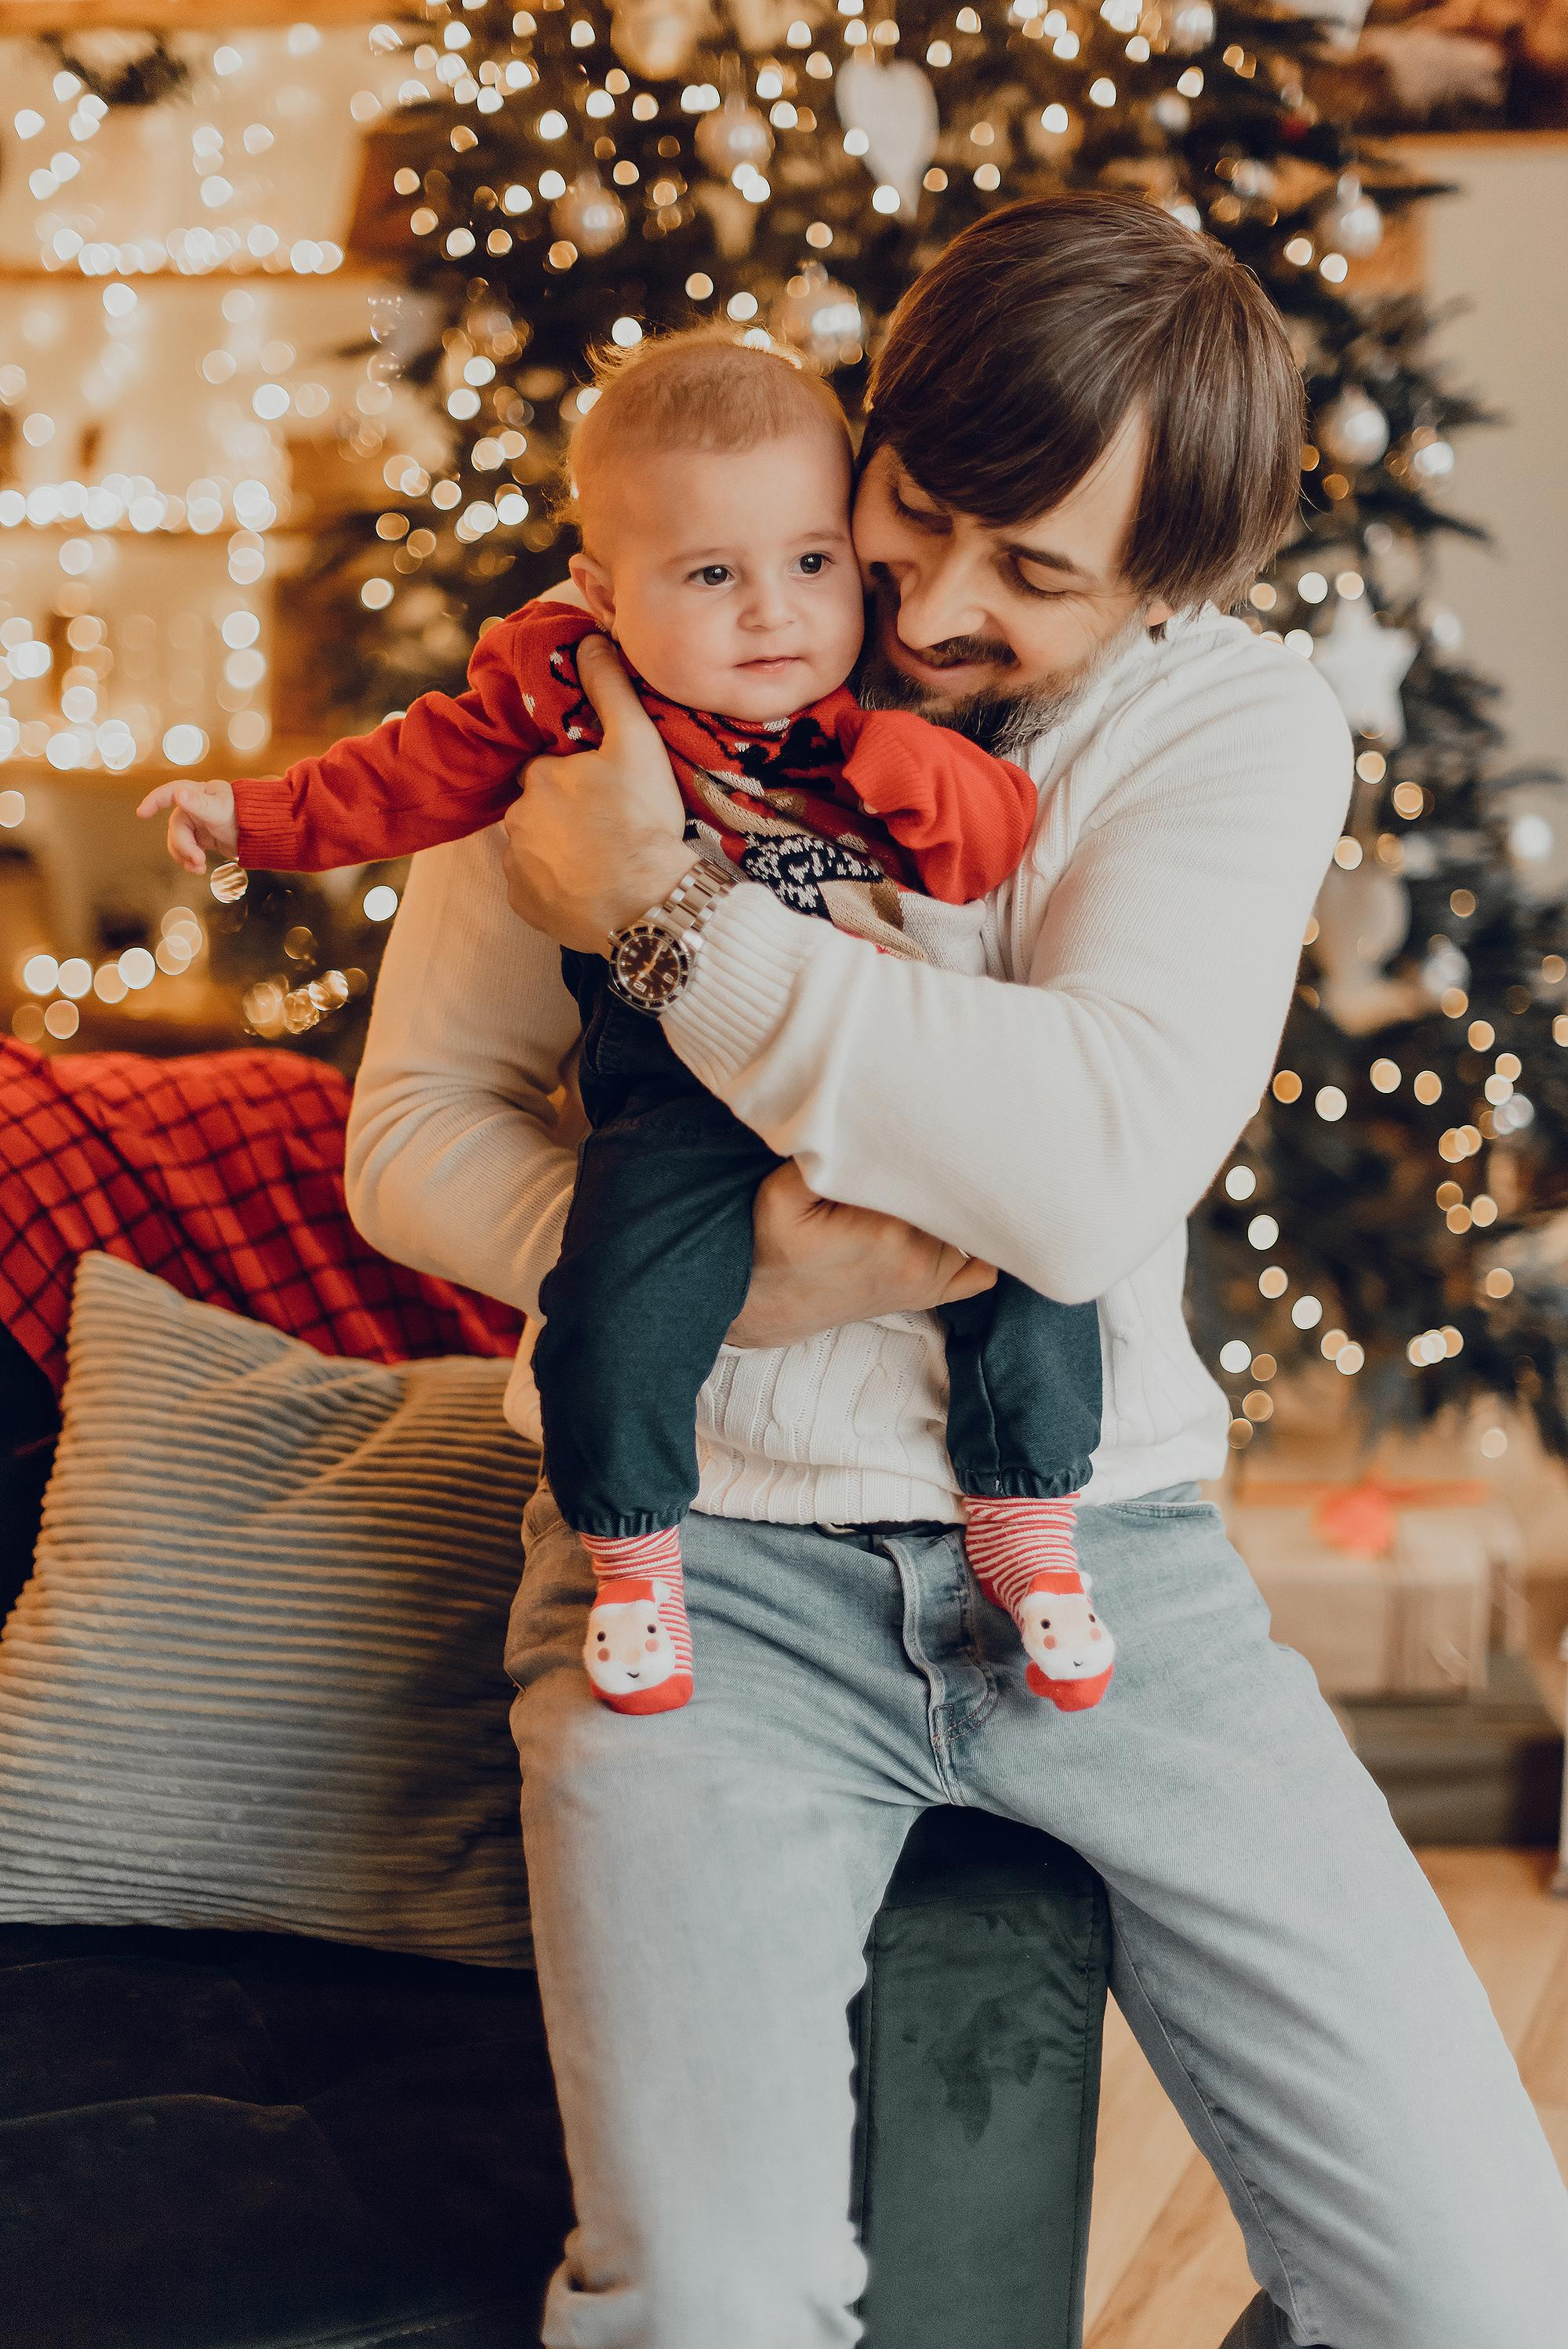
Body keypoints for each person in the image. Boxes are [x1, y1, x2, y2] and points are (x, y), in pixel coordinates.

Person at [347, 194, 1568, 2347]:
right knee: (709, 2300)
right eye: (918, 506)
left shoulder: (1235, 730)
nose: (924, 600)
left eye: (1040, 574)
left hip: (1119, 1570)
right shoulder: (604, 668)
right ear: (874, 419)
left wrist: (670, 921)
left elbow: (1087, 1173)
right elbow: (415, 1139)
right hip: (695, 1576)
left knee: (1483, 2296)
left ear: (1170, 589)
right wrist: (710, 1287)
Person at [138, 329, 1113, 1717]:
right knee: (612, 1292)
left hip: (882, 1072)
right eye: (713, 577)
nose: (772, 613)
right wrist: (251, 819)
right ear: (603, 591)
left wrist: (899, 769)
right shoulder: (559, 708)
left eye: (811, 565)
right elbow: (400, 777)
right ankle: (635, 1551)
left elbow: (981, 849)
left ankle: (1032, 1526)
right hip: (681, 1090)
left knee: (1031, 1237)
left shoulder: (873, 717)